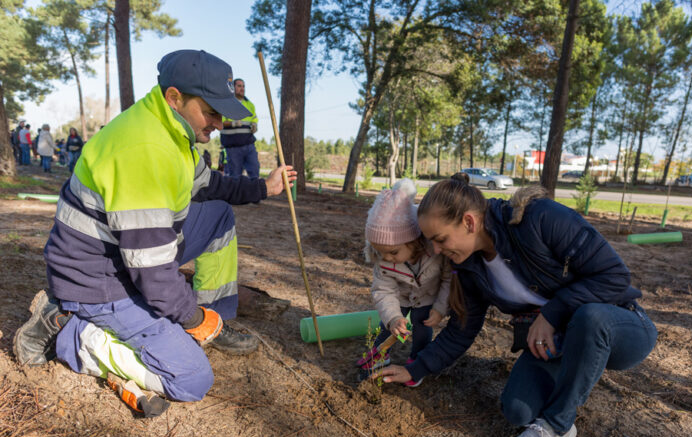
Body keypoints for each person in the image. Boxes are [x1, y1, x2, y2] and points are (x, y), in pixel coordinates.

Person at [13, 49, 297, 410]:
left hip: (124, 253)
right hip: (97, 278)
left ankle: (216, 320)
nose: (219, 124)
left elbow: (209, 185)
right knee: (192, 379)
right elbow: (154, 275)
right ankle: (69, 329)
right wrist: (191, 317)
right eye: (211, 112)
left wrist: (264, 188)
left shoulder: (171, 129)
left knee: (219, 216)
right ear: (174, 97)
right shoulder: (145, 150)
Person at [376, 173, 657, 437]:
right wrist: (415, 369)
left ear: (469, 222)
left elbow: (615, 276)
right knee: (517, 411)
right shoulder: (471, 266)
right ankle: (568, 395)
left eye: (440, 239)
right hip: (559, 344)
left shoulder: (539, 218)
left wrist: (551, 314)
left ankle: (557, 425)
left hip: (621, 328)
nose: (435, 250)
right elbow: (461, 331)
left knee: (591, 317)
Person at [355, 179, 451, 387]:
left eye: (393, 252)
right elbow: (383, 291)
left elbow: (447, 280)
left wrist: (440, 308)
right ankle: (381, 354)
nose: (387, 257)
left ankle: (416, 360)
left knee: (423, 327)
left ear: (414, 240)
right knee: (387, 326)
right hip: (401, 297)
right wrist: (394, 317)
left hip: (427, 298)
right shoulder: (384, 260)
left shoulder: (435, 252)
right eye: (380, 252)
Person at [220, 79, 260, 178]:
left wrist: (255, 125)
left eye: (243, 86)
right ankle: (235, 194)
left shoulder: (250, 105)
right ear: (233, 88)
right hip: (233, 147)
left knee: (255, 173)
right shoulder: (226, 104)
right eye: (239, 86)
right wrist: (233, 123)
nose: (242, 88)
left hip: (249, 145)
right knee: (235, 177)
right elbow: (221, 122)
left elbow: (254, 119)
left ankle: (253, 193)